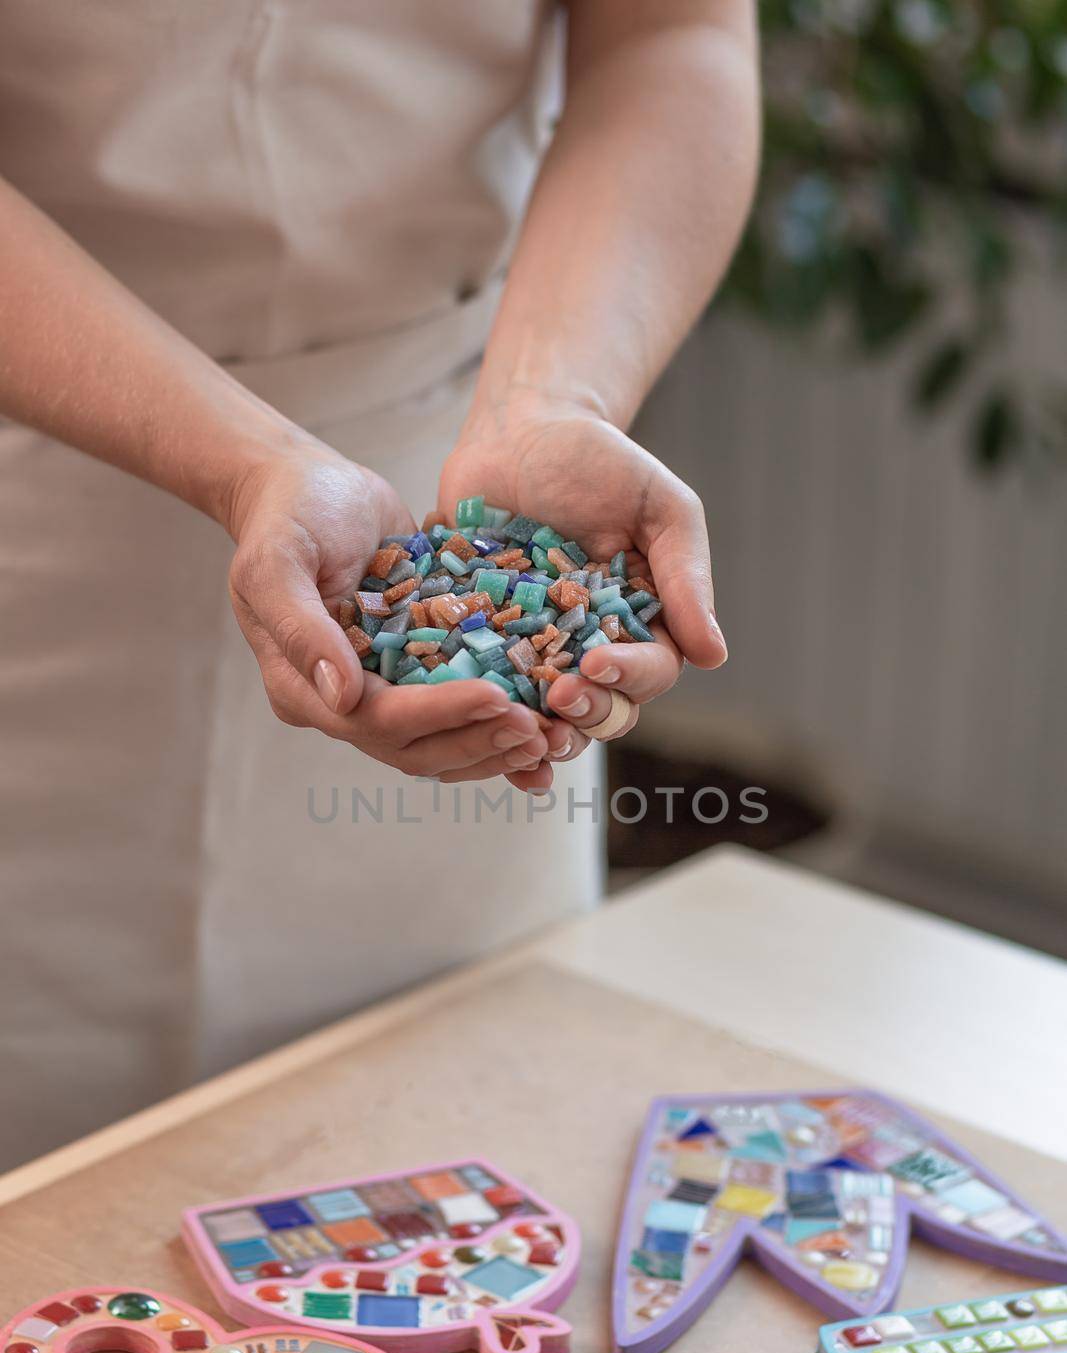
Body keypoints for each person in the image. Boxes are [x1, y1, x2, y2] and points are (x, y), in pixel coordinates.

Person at [0, 1, 759, 1164]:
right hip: (40, 482)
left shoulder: (494, 538)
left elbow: (671, 35)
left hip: (457, 437)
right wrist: (248, 464)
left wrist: (556, 402)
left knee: (439, 1164)